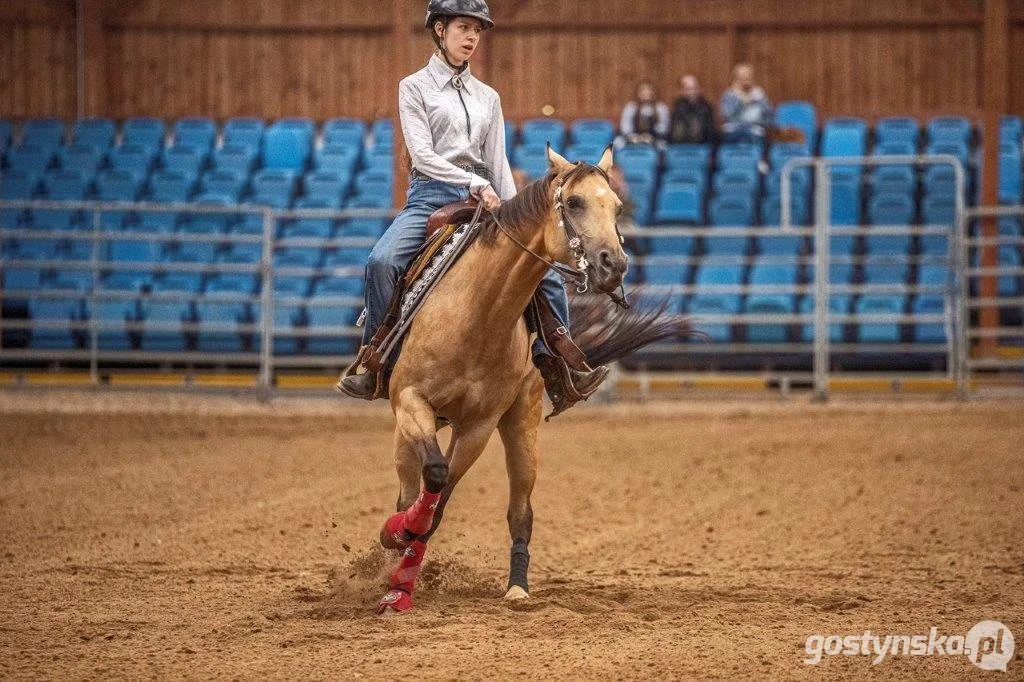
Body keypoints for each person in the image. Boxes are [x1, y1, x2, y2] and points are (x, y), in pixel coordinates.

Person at [339, 0, 609, 408]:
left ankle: (560, 364)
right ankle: (375, 362)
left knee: (542, 265)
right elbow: (423, 154)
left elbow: (497, 159)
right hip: (430, 195)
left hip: (485, 197)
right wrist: (473, 180)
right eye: (464, 28)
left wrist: (515, 209)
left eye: (477, 31)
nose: (471, 38)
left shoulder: (488, 97)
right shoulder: (413, 87)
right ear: (440, 30)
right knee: (382, 261)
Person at [720, 63, 772, 144]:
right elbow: (728, 115)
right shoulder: (729, 94)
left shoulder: (759, 94)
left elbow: (768, 116)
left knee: (754, 135)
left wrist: (756, 100)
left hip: (754, 127)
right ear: (736, 79)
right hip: (734, 127)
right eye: (742, 78)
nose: (745, 80)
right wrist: (742, 102)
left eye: (748, 77)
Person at [617, 81, 670, 146]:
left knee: (663, 146)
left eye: (648, 91)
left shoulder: (661, 108)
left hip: (654, 138)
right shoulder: (631, 107)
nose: (645, 93)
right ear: (638, 93)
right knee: (617, 143)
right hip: (633, 138)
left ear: (653, 92)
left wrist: (652, 136)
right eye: (643, 91)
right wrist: (634, 137)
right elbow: (625, 126)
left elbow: (664, 127)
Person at [668, 74, 717, 145]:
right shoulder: (676, 108)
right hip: (681, 148)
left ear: (699, 89)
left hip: (701, 147)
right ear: (682, 91)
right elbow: (674, 134)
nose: (692, 92)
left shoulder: (707, 108)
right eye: (688, 89)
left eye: (694, 88)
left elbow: (710, 134)